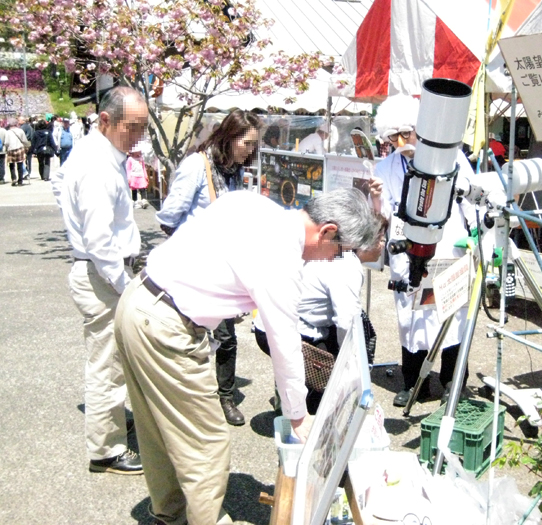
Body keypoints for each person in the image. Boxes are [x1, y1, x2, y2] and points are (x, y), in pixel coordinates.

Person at [114, 188, 379, 525]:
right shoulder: (282, 259)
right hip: (166, 324)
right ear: (327, 230)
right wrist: (298, 416)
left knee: (156, 429)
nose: (332, 258)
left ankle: (170, 515)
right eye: (339, 250)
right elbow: (285, 346)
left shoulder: (254, 203)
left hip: (138, 300)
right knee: (206, 442)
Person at [57, 86, 149, 475]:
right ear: (106, 121)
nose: (139, 136)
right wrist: (123, 284)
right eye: (133, 127)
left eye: (144, 127)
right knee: (106, 365)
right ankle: (106, 450)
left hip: (101, 270)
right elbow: (99, 239)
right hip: (101, 273)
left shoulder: (99, 155)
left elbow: (58, 185)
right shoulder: (96, 164)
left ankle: (110, 423)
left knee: (111, 361)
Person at [155, 109, 262, 427]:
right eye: (247, 143)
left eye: (253, 145)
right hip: (193, 270)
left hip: (225, 267)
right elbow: (168, 217)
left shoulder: (233, 170)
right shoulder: (196, 166)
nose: (250, 150)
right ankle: (185, 401)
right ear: (229, 137)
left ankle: (224, 396)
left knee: (226, 338)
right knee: (192, 337)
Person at [373, 94, 476, 407]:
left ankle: (452, 381)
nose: (402, 141)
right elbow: (386, 212)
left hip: (448, 244)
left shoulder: (452, 157)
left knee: (451, 314)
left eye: (406, 133)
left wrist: (475, 236)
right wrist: (377, 201)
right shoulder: (385, 167)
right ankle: (412, 382)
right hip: (407, 249)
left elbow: (471, 197)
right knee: (411, 317)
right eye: (394, 136)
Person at [254, 179, 386, 414]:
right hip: (283, 327)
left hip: (271, 323)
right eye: (379, 240)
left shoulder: (337, 250)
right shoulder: (347, 263)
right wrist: (352, 364)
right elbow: (346, 321)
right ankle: (306, 414)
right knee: (325, 376)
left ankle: (288, 397)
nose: (383, 245)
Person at [5, 118, 31, 186]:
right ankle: (20, 180)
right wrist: (27, 146)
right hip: (19, 148)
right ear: (16, 123)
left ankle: (13, 178)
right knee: (20, 165)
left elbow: (6, 142)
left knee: (11, 165)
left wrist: (6, 148)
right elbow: (24, 140)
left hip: (11, 149)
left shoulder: (8, 132)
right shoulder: (20, 131)